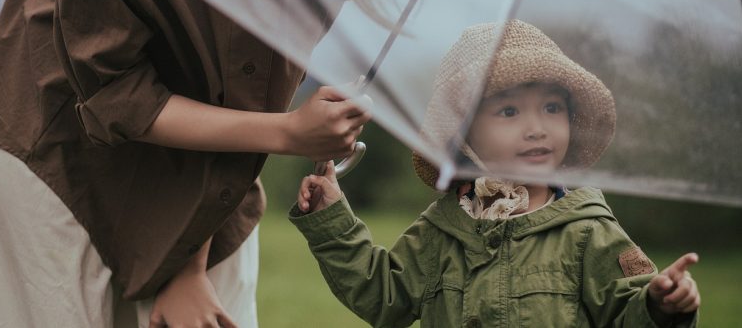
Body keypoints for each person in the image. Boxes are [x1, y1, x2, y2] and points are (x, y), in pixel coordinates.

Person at [0, 0, 384, 327]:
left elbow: (248, 94)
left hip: (216, 172)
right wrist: (288, 134)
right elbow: (114, 95)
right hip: (65, 160)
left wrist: (190, 263)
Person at [290, 20, 701, 327]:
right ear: (464, 134)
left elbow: (625, 311)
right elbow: (382, 294)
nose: (537, 127)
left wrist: (659, 305)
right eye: (509, 111)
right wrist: (333, 220)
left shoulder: (587, 230)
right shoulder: (443, 229)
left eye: (552, 108)